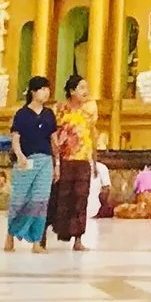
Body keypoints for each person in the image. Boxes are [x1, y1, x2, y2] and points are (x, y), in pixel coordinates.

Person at [6, 76, 57, 250]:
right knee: (20, 199)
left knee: (40, 200)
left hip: (45, 161)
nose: (46, 92)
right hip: (26, 160)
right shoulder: (22, 114)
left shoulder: (49, 114)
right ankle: (10, 235)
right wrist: (20, 155)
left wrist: (57, 163)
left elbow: (53, 140)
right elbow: (16, 138)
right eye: (42, 89)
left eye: (47, 89)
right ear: (33, 92)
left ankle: (36, 241)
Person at [50, 74, 97, 251]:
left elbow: (92, 134)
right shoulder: (59, 109)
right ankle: (48, 234)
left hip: (82, 160)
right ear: (72, 91)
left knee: (81, 198)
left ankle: (78, 239)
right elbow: (53, 135)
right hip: (64, 159)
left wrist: (94, 160)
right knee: (59, 197)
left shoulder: (90, 109)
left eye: (87, 88)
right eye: (82, 88)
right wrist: (55, 160)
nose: (86, 92)